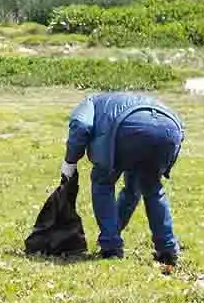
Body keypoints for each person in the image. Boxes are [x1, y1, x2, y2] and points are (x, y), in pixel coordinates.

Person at [60, 92, 184, 264]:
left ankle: (111, 247)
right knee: (151, 187)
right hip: (170, 130)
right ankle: (167, 250)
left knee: (103, 182)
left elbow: (81, 125)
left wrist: (70, 161)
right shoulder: (130, 98)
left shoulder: (90, 102)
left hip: (125, 129)